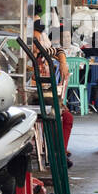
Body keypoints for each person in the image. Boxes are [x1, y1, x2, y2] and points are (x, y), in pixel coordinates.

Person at [32, 19, 73, 162]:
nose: (36, 43)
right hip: (31, 101)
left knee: (67, 117)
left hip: (45, 97)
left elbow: (59, 50)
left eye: (38, 39)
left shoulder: (43, 53)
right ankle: (58, 153)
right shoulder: (23, 56)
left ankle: (60, 151)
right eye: (34, 40)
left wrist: (63, 63)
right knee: (55, 116)